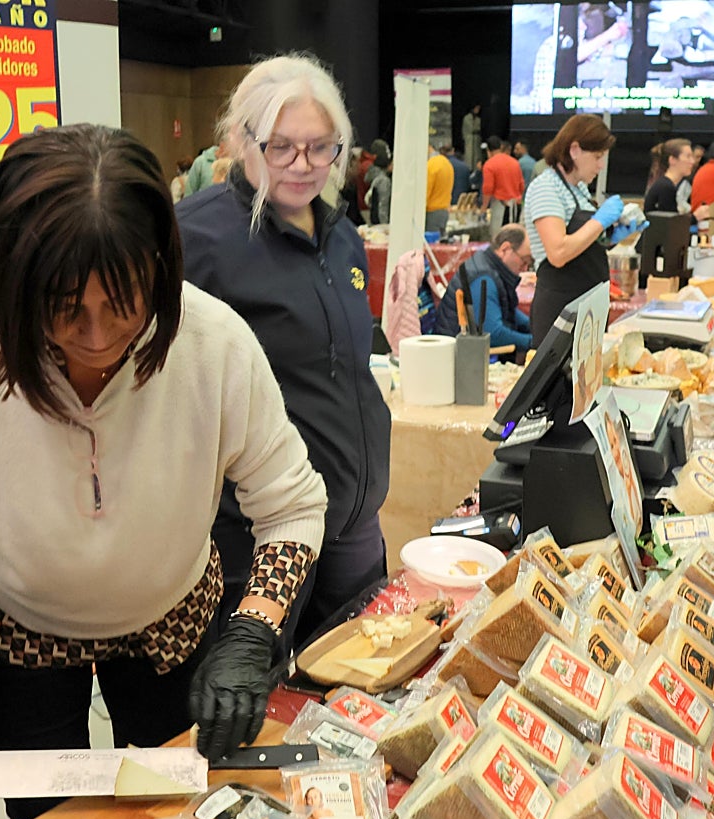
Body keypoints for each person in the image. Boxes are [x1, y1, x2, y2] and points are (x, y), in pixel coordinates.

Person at [0, 125, 328, 819]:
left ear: (160, 268)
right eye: (63, 307)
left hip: (172, 617)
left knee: (181, 809)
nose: (97, 336)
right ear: (11, 284)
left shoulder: (213, 345)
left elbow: (291, 504)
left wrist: (254, 630)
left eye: (123, 301)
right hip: (16, 626)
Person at [176, 54, 390, 655]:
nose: (303, 165)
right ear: (244, 141)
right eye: (281, 147)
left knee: (356, 691)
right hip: (261, 537)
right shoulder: (196, 237)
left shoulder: (341, 234)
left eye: (320, 148)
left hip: (354, 524)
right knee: (264, 715)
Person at [523, 114, 630, 346]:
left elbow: (582, 240)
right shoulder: (546, 187)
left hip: (587, 305)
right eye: (597, 157)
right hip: (560, 310)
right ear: (574, 150)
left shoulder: (579, 188)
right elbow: (558, 252)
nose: (601, 166)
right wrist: (599, 221)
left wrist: (611, 236)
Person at [432, 224, 533, 360]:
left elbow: (504, 309)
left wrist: (531, 325)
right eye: (524, 260)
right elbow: (493, 334)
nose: (525, 268)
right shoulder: (483, 279)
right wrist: (532, 341)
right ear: (505, 249)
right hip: (457, 359)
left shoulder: (486, 262)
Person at [644, 138, 710, 223]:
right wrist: (695, 217)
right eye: (688, 156)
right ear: (672, 160)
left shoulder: (666, 185)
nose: (692, 161)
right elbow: (670, 226)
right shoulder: (665, 187)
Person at [481, 135, 525, 237]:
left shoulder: (489, 164)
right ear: (500, 147)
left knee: (498, 238)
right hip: (516, 205)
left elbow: (488, 189)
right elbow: (521, 185)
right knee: (514, 238)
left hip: (500, 206)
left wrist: (484, 208)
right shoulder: (515, 163)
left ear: (488, 150)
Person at [425, 143, 454, 236]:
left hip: (432, 214)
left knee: (430, 246)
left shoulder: (430, 165)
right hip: (444, 212)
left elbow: (425, 193)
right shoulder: (446, 163)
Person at [462, 104, 482, 170]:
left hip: (476, 140)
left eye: (479, 109)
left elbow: (478, 128)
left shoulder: (478, 119)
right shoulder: (467, 118)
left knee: (476, 156)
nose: (477, 110)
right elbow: (471, 128)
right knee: (469, 156)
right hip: (469, 140)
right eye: (476, 108)